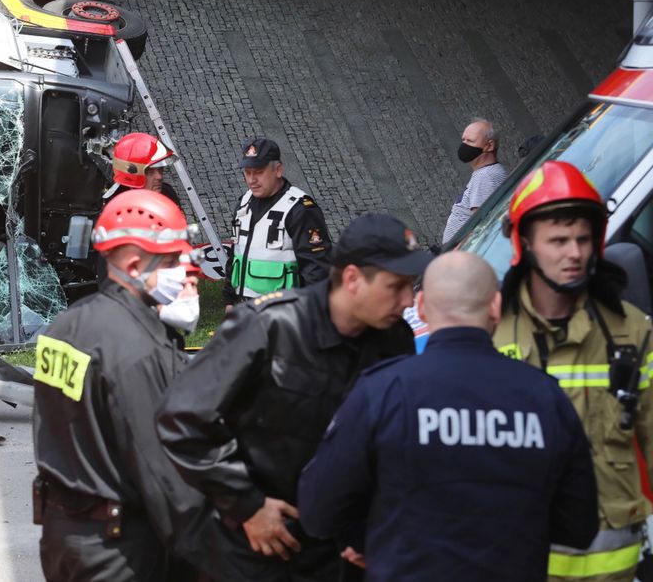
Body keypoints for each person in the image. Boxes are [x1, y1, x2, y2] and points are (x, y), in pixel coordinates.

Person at [156, 213, 429, 581]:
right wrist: (247, 505)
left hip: (340, 553)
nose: (408, 300)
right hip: (254, 546)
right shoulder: (268, 326)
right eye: (396, 286)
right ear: (351, 279)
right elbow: (181, 420)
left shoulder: (394, 340)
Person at [297, 251, 599, 581]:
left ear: (422, 306)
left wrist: (374, 536)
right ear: (496, 307)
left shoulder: (383, 390)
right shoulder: (545, 397)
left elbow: (318, 512)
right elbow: (579, 527)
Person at [33, 189, 257, 581]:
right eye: (172, 260)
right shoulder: (137, 349)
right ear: (135, 264)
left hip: (63, 536)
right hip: (121, 551)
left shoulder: (65, 327)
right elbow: (162, 473)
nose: (182, 270)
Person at [493, 160, 653, 582]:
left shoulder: (631, 330)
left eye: (583, 239)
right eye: (559, 240)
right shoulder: (489, 332)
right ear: (525, 243)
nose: (575, 253)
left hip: (613, 567)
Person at [224, 137, 331, 308]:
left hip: (285, 315)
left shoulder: (300, 209)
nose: (251, 180)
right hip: (244, 311)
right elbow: (235, 256)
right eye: (247, 172)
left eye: (258, 172)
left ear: (278, 170)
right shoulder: (243, 203)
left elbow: (317, 270)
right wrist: (230, 301)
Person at [442, 118, 508, 243]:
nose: (464, 145)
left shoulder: (485, 177)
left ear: (489, 146)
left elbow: (480, 226)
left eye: (470, 141)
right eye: (463, 140)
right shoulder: (485, 173)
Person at [106, 131, 183, 210]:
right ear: (131, 175)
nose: (159, 176)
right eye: (150, 171)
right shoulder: (117, 210)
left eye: (160, 168)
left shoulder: (167, 193)